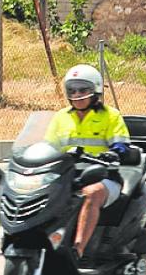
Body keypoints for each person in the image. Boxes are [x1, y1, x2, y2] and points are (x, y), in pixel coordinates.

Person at [45, 64, 132, 259]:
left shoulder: (110, 115)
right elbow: (48, 146)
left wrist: (114, 153)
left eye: (83, 89)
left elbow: (121, 143)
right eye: (72, 89)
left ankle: (78, 249)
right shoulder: (60, 117)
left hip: (103, 176)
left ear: (95, 90)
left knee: (91, 194)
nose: (77, 94)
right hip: (69, 175)